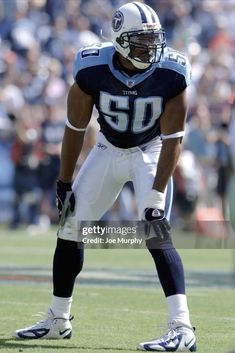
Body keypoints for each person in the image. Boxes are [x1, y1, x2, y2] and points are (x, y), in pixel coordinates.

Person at [13, 2, 196, 351]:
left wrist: (157, 193)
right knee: (69, 226)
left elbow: (174, 139)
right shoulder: (92, 67)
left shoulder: (172, 72)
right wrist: (64, 183)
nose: (151, 47)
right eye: (142, 40)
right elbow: (74, 128)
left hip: (151, 150)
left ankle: (182, 327)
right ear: (121, 41)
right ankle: (58, 318)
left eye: (154, 39)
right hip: (107, 150)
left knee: (155, 229)